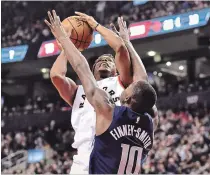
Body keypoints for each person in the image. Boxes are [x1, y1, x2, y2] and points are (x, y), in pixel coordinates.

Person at [45, 10, 157, 174]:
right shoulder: (147, 121)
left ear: (117, 71)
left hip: (101, 157)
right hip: (86, 158)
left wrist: (69, 38)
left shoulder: (119, 87)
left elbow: (86, 65)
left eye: (109, 60)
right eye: (100, 60)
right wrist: (68, 47)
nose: (105, 60)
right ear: (93, 68)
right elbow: (56, 75)